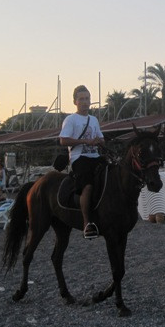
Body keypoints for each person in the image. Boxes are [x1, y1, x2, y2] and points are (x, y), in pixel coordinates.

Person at [59, 85, 106, 239]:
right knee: (88, 184)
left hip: (95, 156)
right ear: (75, 102)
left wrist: (99, 141)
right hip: (79, 158)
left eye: (87, 98)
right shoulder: (71, 119)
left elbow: (102, 138)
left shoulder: (94, 119)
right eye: (81, 99)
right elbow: (63, 140)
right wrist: (85, 141)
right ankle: (87, 222)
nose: (85, 102)